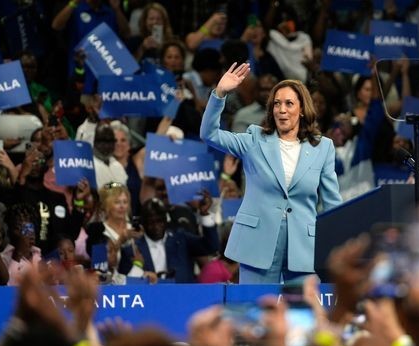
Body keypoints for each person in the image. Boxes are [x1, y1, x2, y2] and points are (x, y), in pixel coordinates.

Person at [200, 62, 342, 283]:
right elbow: (209, 134)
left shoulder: (323, 148)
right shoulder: (254, 140)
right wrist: (219, 94)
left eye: (288, 103)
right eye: (277, 104)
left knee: (302, 314)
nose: (281, 109)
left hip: (304, 249)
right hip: (257, 244)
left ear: (302, 109)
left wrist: (336, 247)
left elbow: (333, 204)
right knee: (255, 311)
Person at [119, 198, 219, 283]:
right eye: (151, 222)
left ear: (166, 220)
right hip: (149, 302)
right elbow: (125, 286)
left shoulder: (181, 240)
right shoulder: (132, 250)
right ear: (143, 223)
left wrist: (204, 214)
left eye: (160, 221)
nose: (156, 226)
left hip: (183, 300)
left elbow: (211, 246)